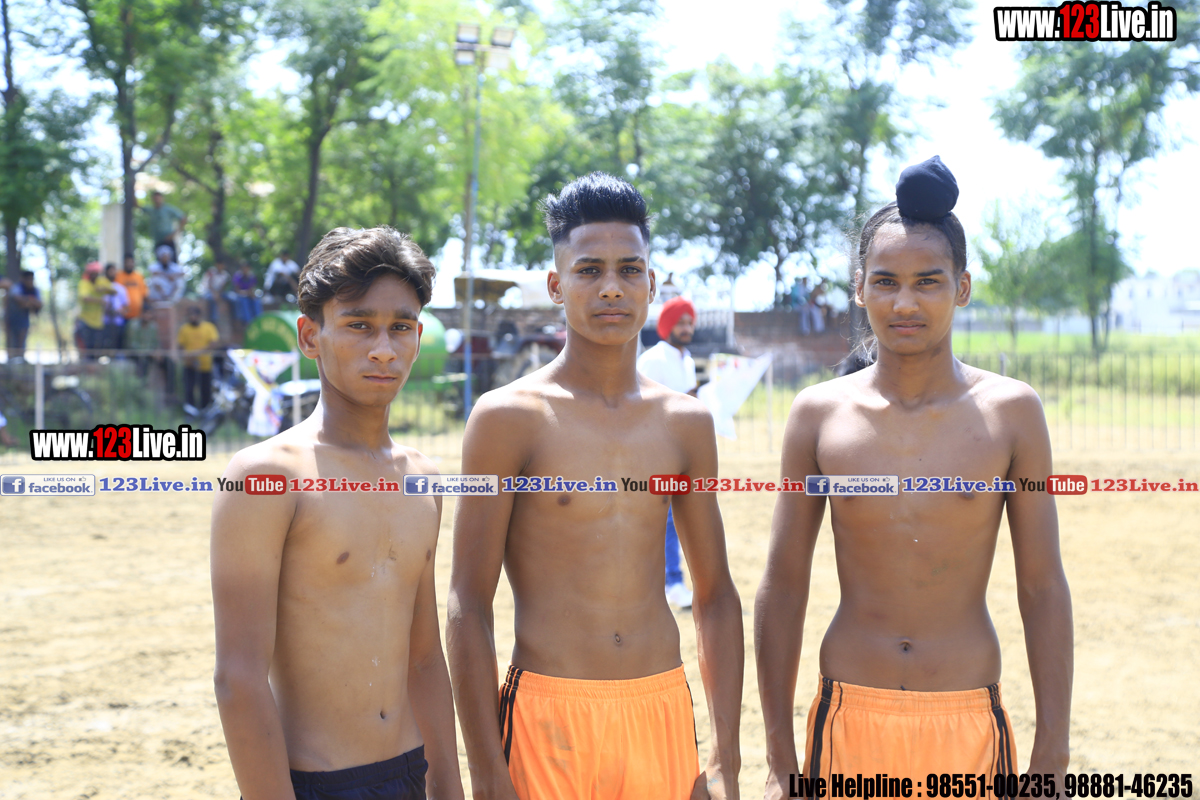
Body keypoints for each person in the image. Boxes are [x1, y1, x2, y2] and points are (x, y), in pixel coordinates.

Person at [755, 157, 1073, 798]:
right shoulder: (818, 414)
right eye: (886, 282)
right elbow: (783, 586)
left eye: (928, 281)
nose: (905, 303)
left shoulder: (1011, 412)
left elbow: (1042, 586)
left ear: (962, 287)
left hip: (966, 715)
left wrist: (1053, 752)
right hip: (849, 714)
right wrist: (779, 756)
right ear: (859, 289)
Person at [449, 173, 743, 800]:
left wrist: (725, 757)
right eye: (589, 270)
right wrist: (488, 772)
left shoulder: (685, 423)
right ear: (557, 284)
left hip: (660, 709)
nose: (611, 287)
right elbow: (467, 605)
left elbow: (716, 595)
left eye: (628, 269)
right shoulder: (507, 418)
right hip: (547, 719)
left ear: (651, 283)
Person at [211, 226, 463, 800]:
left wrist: (448, 788)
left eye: (401, 327)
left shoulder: (422, 477)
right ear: (310, 336)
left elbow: (424, 659)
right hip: (315, 783)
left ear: (419, 337)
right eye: (358, 325)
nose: (384, 349)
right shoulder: (266, 476)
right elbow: (239, 678)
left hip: (409, 771)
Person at [637, 295, 699, 610]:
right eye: (681, 322)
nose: (686, 328)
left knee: (680, 518)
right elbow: (638, 403)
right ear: (668, 325)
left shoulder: (688, 360)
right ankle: (672, 583)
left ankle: (669, 582)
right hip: (653, 449)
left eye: (690, 322)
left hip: (682, 449)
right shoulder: (654, 359)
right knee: (665, 519)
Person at [176, 304, 220, 410]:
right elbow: (180, 346)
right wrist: (187, 357)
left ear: (199, 316)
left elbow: (213, 344)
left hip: (205, 365)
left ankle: (205, 410)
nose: (192, 317)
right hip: (189, 365)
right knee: (189, 389)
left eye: (194, 315)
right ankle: (190, 411)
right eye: (190, 315)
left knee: (206, 390)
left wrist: (197, 353)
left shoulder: (209, 327)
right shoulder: (184, 329)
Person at [77, 261, 114, 358]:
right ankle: (87, 363)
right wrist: (100, 300)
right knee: (87, 346)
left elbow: (114, 291)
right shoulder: (84, 283)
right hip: (85, 320)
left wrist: (104, 289)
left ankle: (94, 363)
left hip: (98, 322)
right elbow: (84, 298)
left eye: (96, 273)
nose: (94, 275)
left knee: (97, 346)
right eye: (92, 273)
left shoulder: (101, 281)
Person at [4, 270, 43, 361]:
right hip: (11, 319)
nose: (30, 281)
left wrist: (27, 301)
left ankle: (20, 359)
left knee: (22, 340)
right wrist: (30, 301)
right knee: (11, 341)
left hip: (24, 320)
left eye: (31, 279)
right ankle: (11, 360)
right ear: (23, 279)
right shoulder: (17, 288)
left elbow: (39, 304)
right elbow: (18, 300)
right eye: (28, 279)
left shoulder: (35, 290)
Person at [143, 190, 186, 262]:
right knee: (159, 264)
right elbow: (138, 206)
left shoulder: (168, 209)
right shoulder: (151, 210)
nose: (157, 200)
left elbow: (183, 218)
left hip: (168, 240)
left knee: (172, 264)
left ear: (162, 199)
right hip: (157, 241)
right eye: (155, 198)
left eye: (158, 198)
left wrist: (175, 234)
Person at [103, 263, 130, 351]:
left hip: (118, 323)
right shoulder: (101, 288)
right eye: (110, 271)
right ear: (106, 272)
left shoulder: (121, 288)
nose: (112, 273)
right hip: (104, 323)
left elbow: (126, 307)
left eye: (114, 271)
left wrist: (119, 311)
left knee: (118, 346)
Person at [203, 258, 237, 325]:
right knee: (211, 299)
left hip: (221, 293)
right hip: (210, 292)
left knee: (233, 298)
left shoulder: (226, 274)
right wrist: (215, 293)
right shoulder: (211, 272)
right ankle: (213, 319)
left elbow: (223, 287)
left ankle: (235, 318)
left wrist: (218, 293)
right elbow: (209, 285)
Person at [232, 261, 262, 326]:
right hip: (240, 296)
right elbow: (236, 290)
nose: (245, 269)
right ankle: (248, 322)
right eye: (244, 268)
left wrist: (252, 294)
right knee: (244, 302)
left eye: (246, 268)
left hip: (249, 295)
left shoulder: (251, 276)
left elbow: (252, 288)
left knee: (256, 301)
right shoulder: (238, 276)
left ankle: (259, 321)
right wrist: (246, 292)